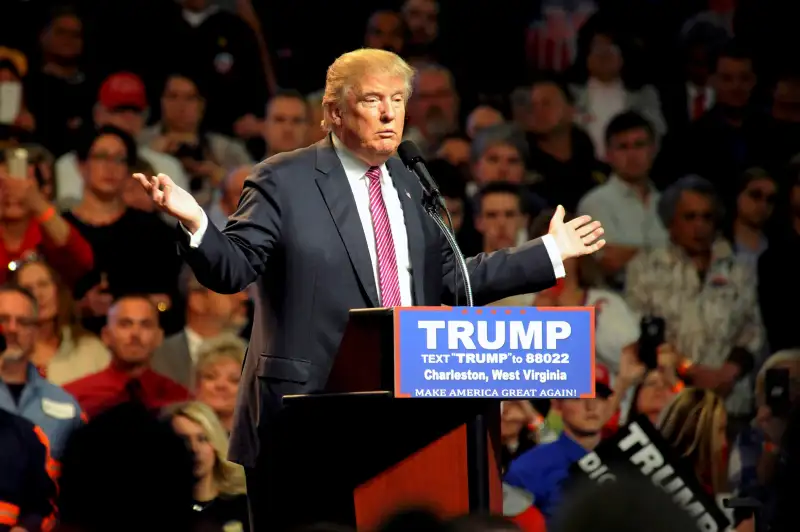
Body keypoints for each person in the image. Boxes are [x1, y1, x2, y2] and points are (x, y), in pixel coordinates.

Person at [133, 48, 606, 532]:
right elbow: (233, 269)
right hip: (307, 419)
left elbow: (454, 279)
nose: (389, 113)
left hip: (410, 415)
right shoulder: (285, 178)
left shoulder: (410, 180)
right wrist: (196, 223)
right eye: (374, 99)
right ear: (334, 112)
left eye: (398, 100)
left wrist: (548, 251)